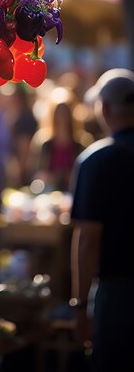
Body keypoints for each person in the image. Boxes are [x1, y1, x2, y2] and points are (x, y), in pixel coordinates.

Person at [71, 69, 134, 371]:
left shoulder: (97, 161)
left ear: (105, 109)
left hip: (117, 293)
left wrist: (80, 306)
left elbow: (88, 240)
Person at [31, 100, 91, 191]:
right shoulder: (45, 145)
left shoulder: (81, 145)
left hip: (74, 192)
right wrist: (46, 178)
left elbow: (86, 174)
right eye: (58, 114)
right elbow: (36, 174)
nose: (62, 118)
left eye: (65, 114)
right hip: (49, 194)